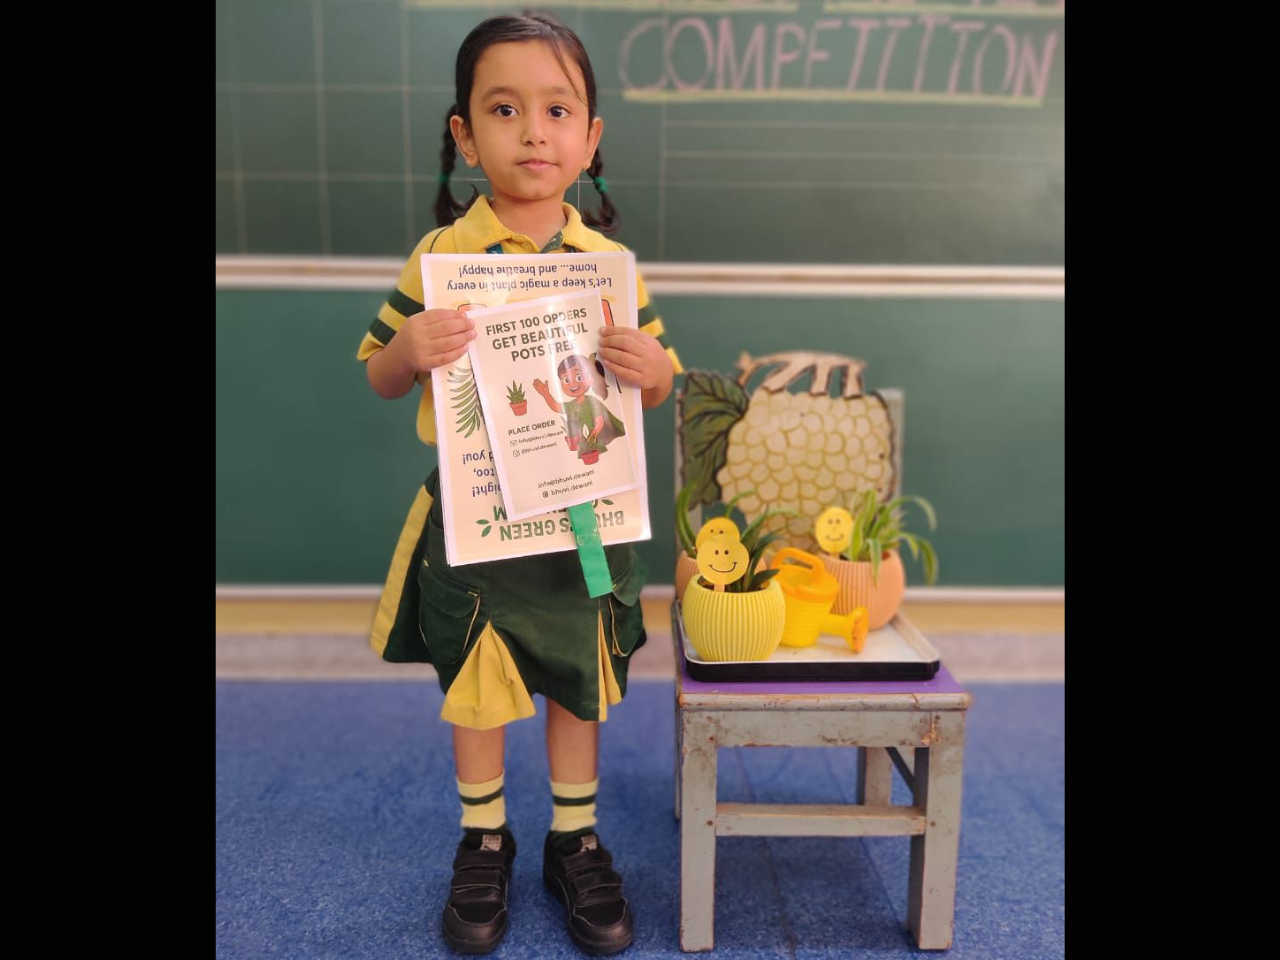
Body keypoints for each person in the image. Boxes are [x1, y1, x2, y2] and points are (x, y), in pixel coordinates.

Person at [355, 13, 682, 956]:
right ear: (464, 134)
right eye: (504, 110)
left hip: (583, 524)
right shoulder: (440, 261)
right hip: (480, 522)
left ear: (590, 137)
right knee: (480, 680)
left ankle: (573, 837)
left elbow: (656, 383)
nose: (533, 132)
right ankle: (484, 836)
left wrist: (653, 369)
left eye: (557, 110)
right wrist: (408, 350)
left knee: (579, 676)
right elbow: (379, 372)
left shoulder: (609, 270)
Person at [532, 353, 627, 463]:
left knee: (600, 458)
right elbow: (557, 407)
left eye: (579, 377)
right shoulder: (572, 405)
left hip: (594, 440)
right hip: (583, 444)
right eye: (566, 380)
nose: (573, 384)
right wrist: (546, 394)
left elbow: (600, 420)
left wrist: (594, 433)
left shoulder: (591, 401)